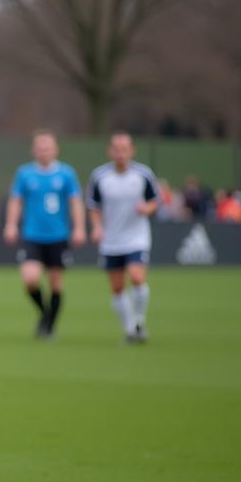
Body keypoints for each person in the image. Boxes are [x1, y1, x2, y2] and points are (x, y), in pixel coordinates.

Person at [4, 129, 86, 339]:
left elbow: (75, 202)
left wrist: (79, 227)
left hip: (58, 236)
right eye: (40, 148)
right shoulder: (25, 173)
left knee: (56, 282)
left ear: (55, 150)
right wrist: (11, 224)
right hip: (32, 235)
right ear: (33, 150)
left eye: (47, 148)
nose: (44, 152)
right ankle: (45, 313)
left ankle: (48, 326)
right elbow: (16, 200)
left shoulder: (66, 173)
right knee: (30, 279)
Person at [86, 132, 159, 344]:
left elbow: (155, 200)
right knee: (117, 287)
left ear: (132, 151)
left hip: (137, 236)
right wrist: (97, 227)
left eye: (124, 148)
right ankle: (129, 330)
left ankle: (139, 321)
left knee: (136, 277)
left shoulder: (143, 174)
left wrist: (147, 208)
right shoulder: (100, 176)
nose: (120, 153)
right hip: (111, 240)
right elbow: (93, 206)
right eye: (116, 149)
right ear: (110, 151)